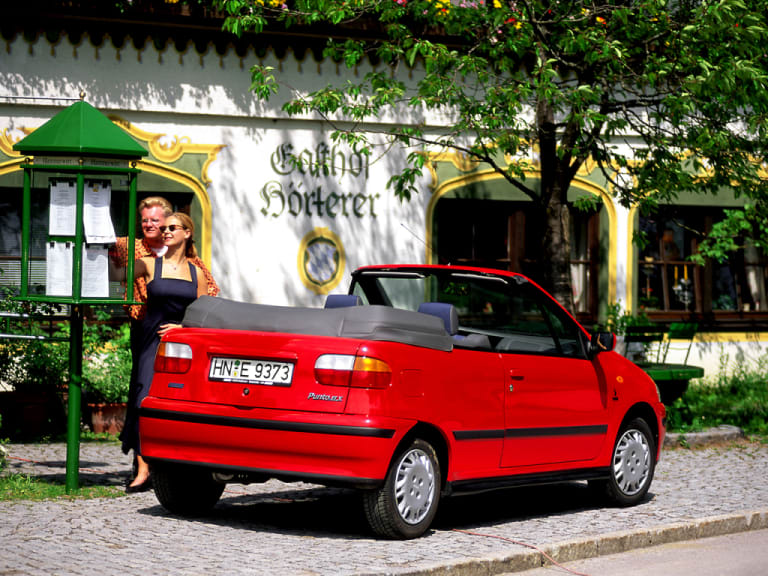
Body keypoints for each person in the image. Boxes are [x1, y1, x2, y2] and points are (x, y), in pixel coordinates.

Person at [110, 197, 219, 489]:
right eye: (164, 227)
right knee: (144, 396)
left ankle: (177, 463)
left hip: (182, 342)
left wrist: (183, 327)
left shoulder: (197, 272)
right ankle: (143, 469)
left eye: (172, 227)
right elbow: (114, 275)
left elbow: (205, 308)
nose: (165, 231)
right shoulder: (146, 263)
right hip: (150, 339)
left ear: (187, 233)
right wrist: (103, 246)